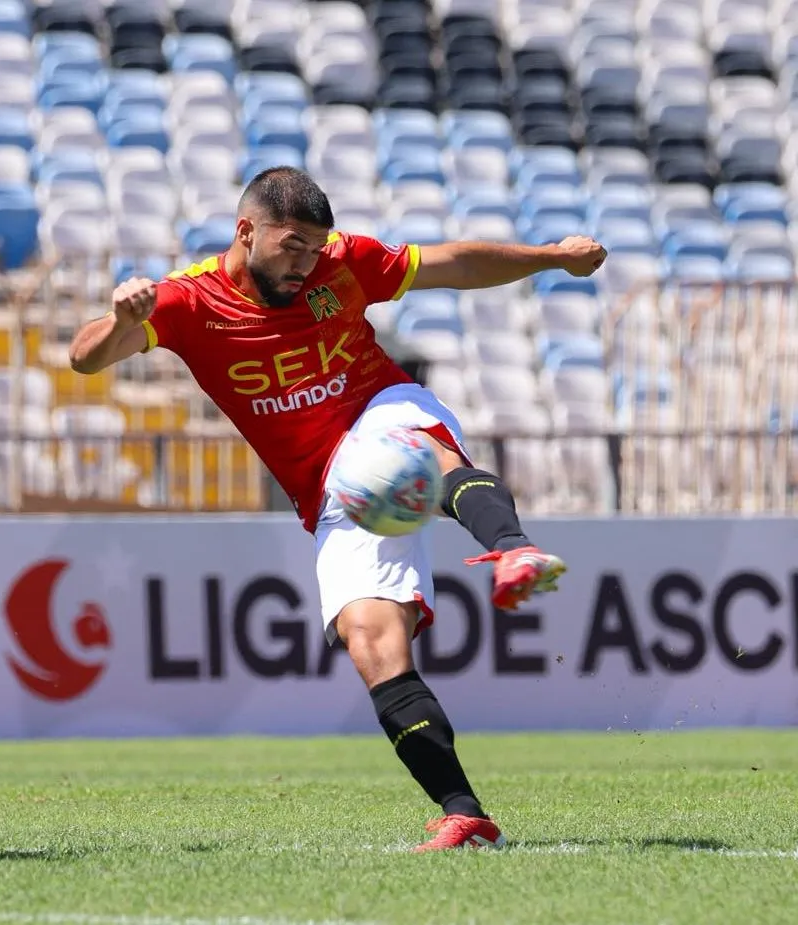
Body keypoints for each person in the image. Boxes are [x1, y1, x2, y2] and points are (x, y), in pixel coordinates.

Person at [70, 167, 607, 851]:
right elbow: (86, 359)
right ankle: (464, 811)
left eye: (314, 248)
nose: (305, 264)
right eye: (291, 246)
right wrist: (122, 320)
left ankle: (513, 545)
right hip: (327, 487)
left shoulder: (342, 263)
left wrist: (551, 257)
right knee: (371, 640)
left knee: (409, 455)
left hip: (381, 409)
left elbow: (453, 263)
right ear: (246, 232)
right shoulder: (187, 302)